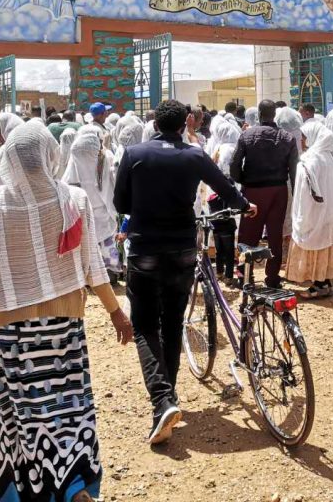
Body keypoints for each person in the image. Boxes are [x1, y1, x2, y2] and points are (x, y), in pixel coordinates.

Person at [0, 121, 133, 502]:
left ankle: (26, 490)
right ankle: (72, 485)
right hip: (64, 319)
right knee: (69, 405)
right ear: (51, 154)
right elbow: (92, 267)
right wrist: (116, 311)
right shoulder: (73, 200)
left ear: (10, 159)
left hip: (8, 324)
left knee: (18, 410)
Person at [114, 100, 255, 445]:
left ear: (155, 123)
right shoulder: (194, 155)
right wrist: (244, 207)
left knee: (146, 327)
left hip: (145, 249)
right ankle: (167, 398)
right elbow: (226, 189)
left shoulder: (134, 154)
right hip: (182, 250)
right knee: (172, 323)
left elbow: (121, 204)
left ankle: (163, 401)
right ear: (186, 123)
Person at [230, 100, 299, 290]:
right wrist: (295, 193)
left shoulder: (247, 135)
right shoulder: (287, 138)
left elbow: (234, 165)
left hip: (253, 190)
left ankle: (245, 274)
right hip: (278, 190)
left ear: (259, 114)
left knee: (248, 234)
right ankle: (272, 277)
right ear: (274, 114)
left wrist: (243, 180)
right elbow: (294, 171)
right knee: (275, 234)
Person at [286, 122, 333, 299]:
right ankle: (324, 282)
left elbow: (305, 192)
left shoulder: (308, 161)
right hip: (329, 213)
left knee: (314, 244)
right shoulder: (327, 157)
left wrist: (301, 215)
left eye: (304, 137)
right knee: (325, 245)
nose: (302, 141)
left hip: (313, 212)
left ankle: (318, 286)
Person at [64, 129, 121, 277]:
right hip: (105, 208)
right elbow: (115, 179)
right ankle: (110, 271)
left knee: (86, 243)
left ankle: (89, 273)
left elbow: (68, 183)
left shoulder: (75, 156)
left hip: (83, 210)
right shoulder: (106, 156)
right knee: (107, 241)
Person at [204, 115, 243, 284]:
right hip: (230, 195)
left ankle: (219, 273)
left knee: (219, 244)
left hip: (215, 198)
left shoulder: (218, 149)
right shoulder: (231, 148)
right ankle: (228, 275)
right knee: (229, 243)